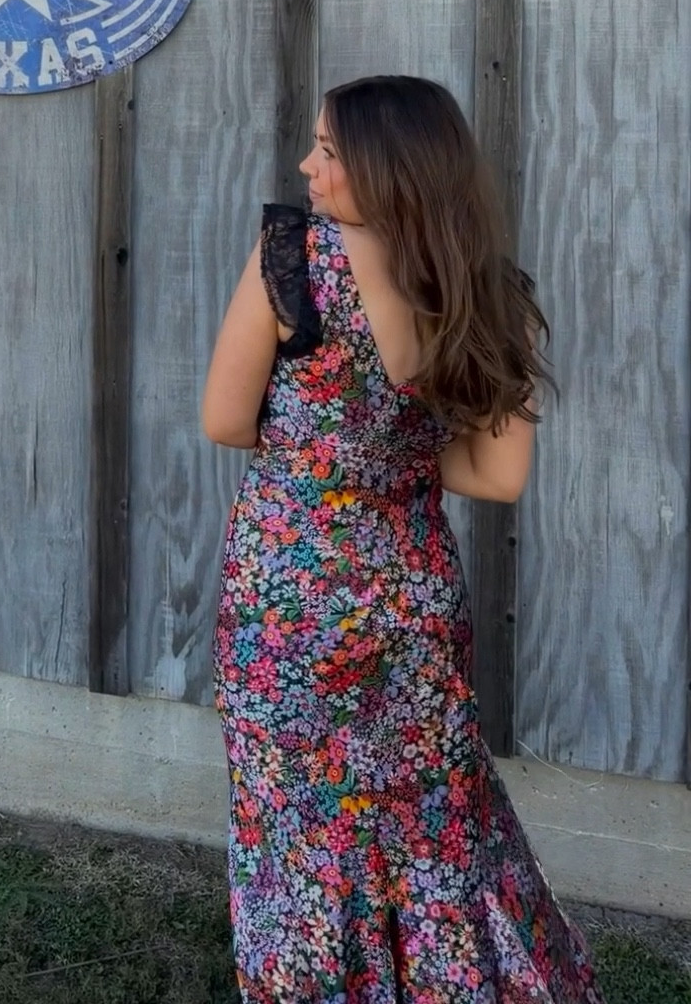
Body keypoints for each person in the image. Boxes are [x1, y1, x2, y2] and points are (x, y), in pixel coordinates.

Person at [203, 75, 604, 1003]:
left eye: (329, 151)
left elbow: (224, 419)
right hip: (413, 604)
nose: (307, 166)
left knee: (299, 824)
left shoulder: (294, 260)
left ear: (390, 167)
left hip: (291, 605)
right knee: (432, 820)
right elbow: (497, 477)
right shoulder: (486, 289)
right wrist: (393, 456)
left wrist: (326, 451)